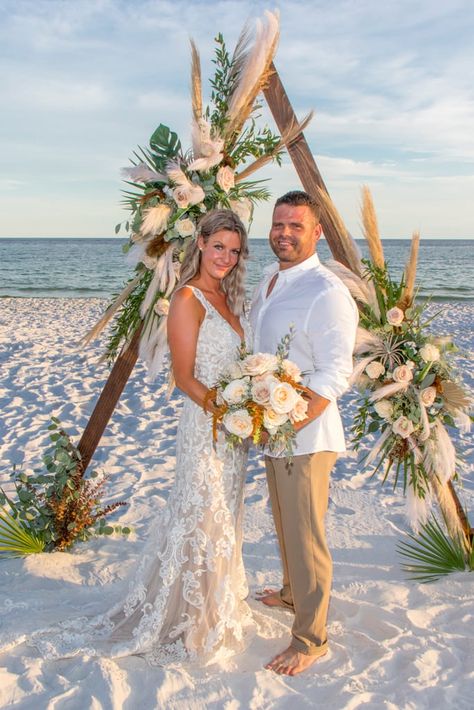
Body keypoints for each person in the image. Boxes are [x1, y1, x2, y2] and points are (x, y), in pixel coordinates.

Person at [27, 209, 254, 666]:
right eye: (218, 247)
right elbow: (184, 378)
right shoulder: (189, 297)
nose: (226, 257)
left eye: (234, 250)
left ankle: (209, 607)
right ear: (201, 246)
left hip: (233, 432)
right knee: (202, 512)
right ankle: (188, 619)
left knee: (223, 516)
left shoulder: (229, 299)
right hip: (205, 426)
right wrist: (226, 413)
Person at [250, 191, 358, 676]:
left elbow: (336, 372)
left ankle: (311, 638)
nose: (284, 233)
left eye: (296, 225)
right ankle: (293, 594)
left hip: (306, 436)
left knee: (307, 534)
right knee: (285, 521)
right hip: (276, 429)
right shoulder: (272, 279)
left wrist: (291, 421)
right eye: (278, 224)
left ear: (317, 232)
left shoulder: (325, 291)